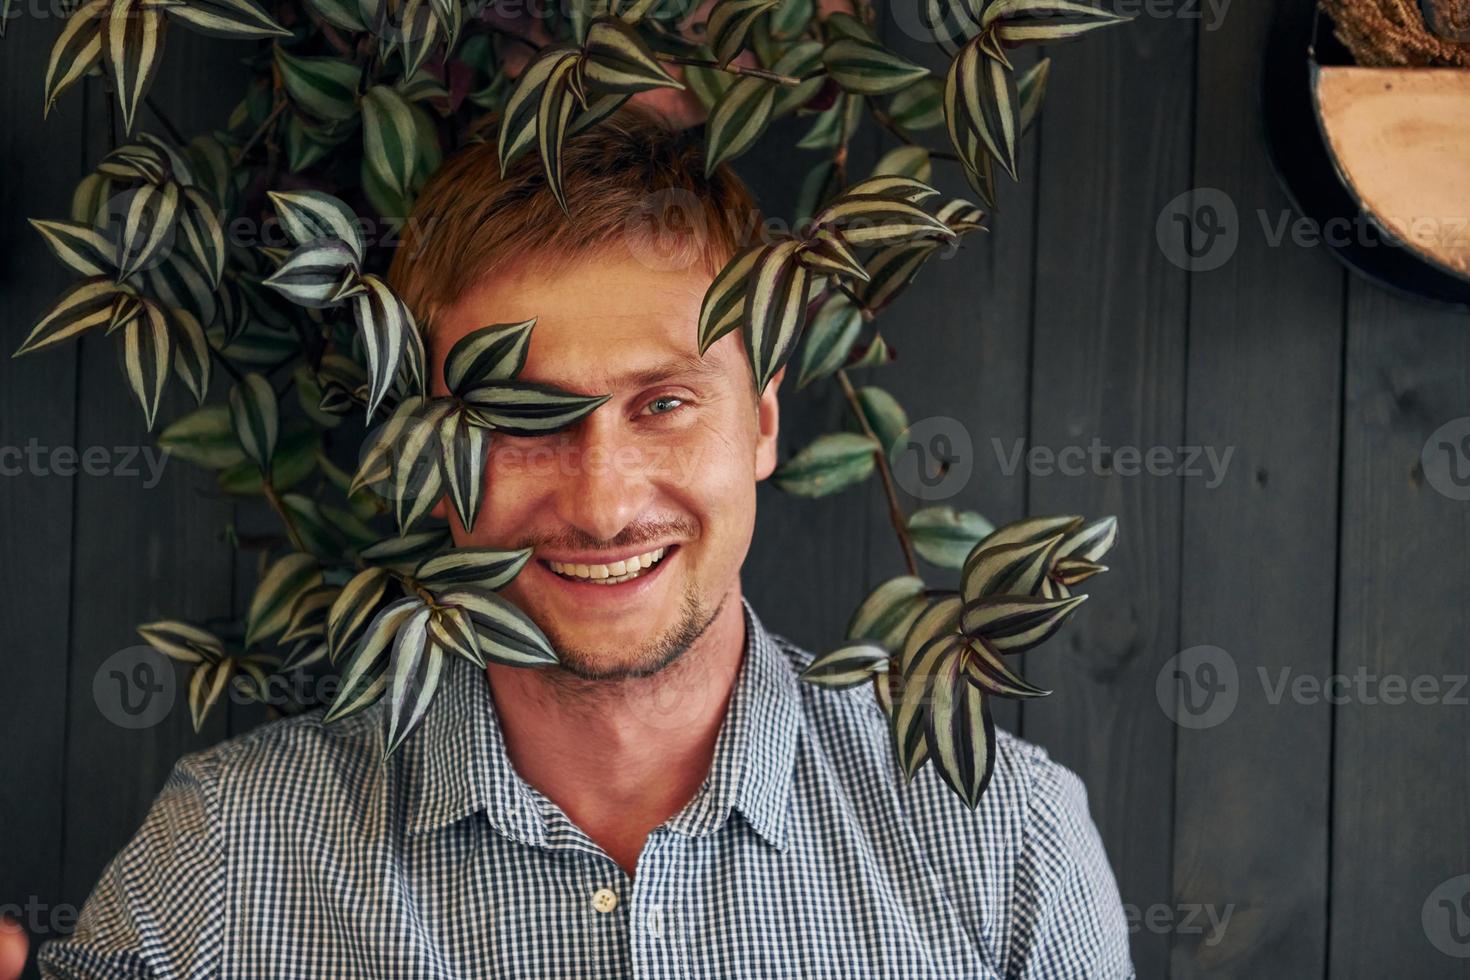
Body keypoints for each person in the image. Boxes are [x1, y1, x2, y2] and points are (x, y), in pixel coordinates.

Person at [35, 107, 1133, 979]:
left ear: (760, 419)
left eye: (662, 403)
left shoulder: (1003, 841)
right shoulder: (232, 852)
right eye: (521, 414)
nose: (602, 502)